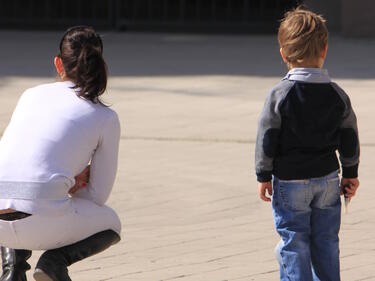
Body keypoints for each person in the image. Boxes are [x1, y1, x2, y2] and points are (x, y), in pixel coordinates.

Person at [0, 26, 121, 281]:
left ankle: (12, 271)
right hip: (42, 220)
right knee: (111, 222)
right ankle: (54, 263)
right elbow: (97, 196)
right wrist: (70, 185)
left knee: (15, 192)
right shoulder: (105, 116)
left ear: (58, 63)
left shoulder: (29, 95)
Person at [255, 7, 360, 281]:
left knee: (294, 240)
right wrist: (350, 173)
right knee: (326, 240)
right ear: (324, 50)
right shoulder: (337, 95)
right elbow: (349, 134)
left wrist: (263, 175)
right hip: (327, 180)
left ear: (283, 54)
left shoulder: (280, 94)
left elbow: (267, 136)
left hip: (290, 182)